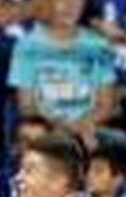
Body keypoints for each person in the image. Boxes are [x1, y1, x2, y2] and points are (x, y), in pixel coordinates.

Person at [8, 0, 117, 148]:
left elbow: (106, 106)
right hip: (47, 131)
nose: (70, 5)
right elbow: (26, 105)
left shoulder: (98, 46)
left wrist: (82, 125)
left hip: (88, 130)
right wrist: (60, 125)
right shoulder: (27, 46)